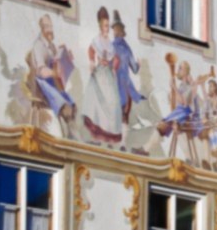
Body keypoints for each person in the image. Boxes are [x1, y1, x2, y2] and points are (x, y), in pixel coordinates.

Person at [29, 15, 76, 137]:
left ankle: (69, 125)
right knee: (63, 104)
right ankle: (64, 115)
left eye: (51, 26)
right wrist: (54, 73)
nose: (50, 30)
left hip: (53, 83)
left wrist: (67, 58)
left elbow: (57, 63)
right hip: (42, 84)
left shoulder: (51, 46)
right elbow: (40, 71)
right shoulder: (38, 45)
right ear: (42, 28)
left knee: (71, 102)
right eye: (47, 27)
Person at [82, 7, 123, 144]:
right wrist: (91, 62)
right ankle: (97, 132)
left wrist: (114, 68)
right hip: (100, 72)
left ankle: (110, 133)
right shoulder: (97, 40)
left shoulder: (110, 44)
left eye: (108, 26)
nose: (107, 28)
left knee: (114, 102)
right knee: (99, 102)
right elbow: (90, 50)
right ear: (100, 26)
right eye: (105, 26)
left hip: (108, 74)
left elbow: (116, 58)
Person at [111, 11, 144, 124]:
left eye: (116, 29)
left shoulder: (116, 47)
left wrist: (138, 65)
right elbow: (135, 68)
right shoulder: (121, 47)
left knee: (121, 112)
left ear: (120, 31)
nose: (115, 31)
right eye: (114, 29)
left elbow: (134, 69)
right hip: (120, 82)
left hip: (121, 82)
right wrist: (138, 64)